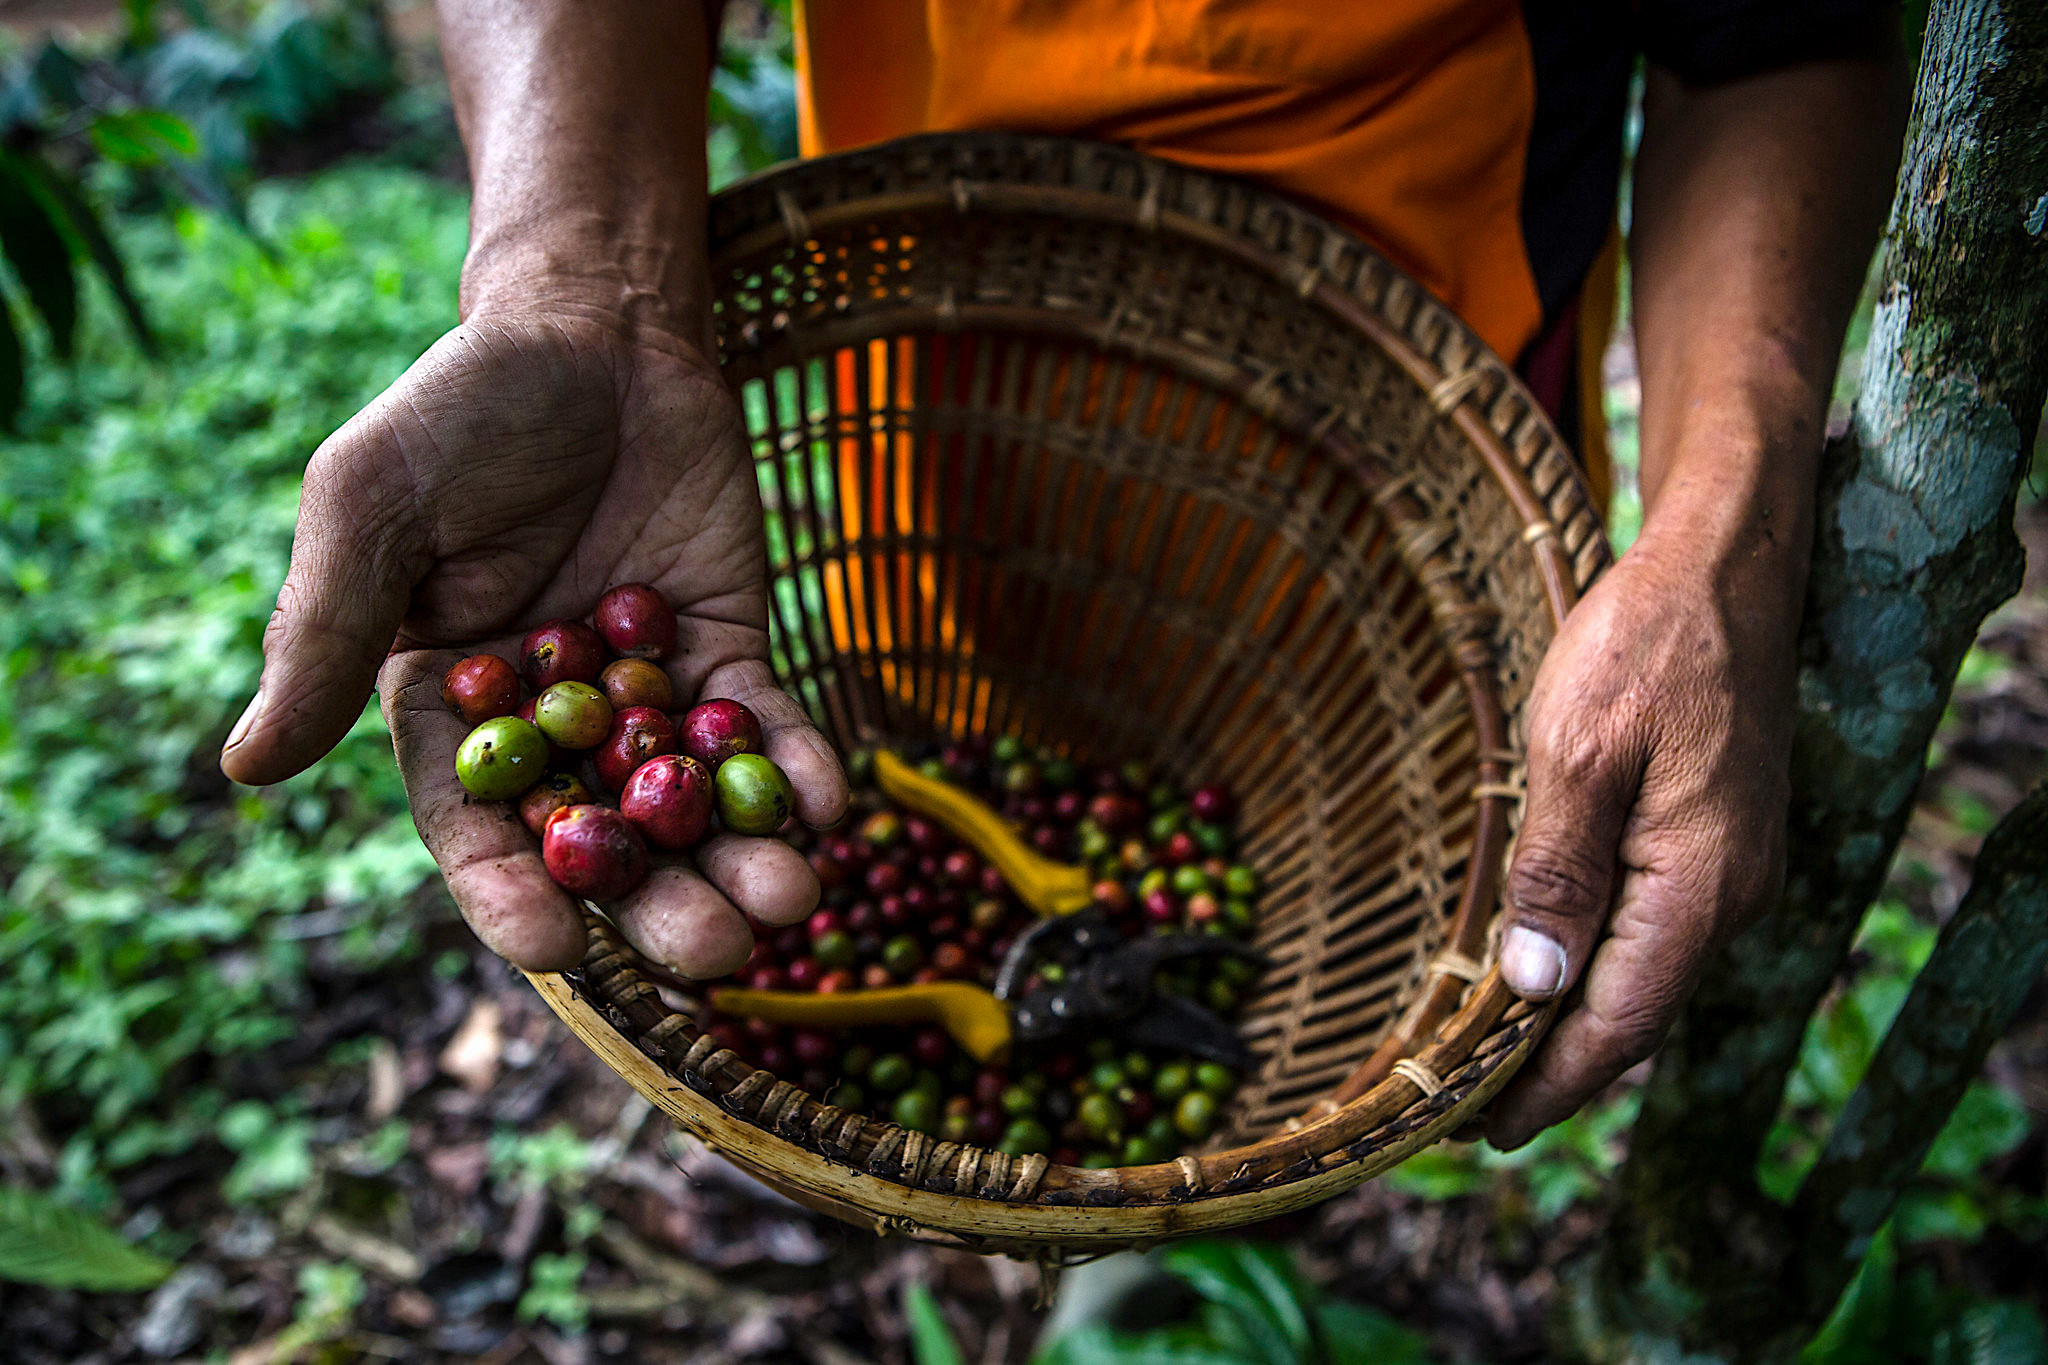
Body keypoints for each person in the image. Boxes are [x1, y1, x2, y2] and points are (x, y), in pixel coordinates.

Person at [218, 1, 1905, 1151]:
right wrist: (578, 287)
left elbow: (1769, 37)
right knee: (896, 786)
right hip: (928, 448)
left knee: (1295, 965)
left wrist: (1728, 547)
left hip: (1402, 513)